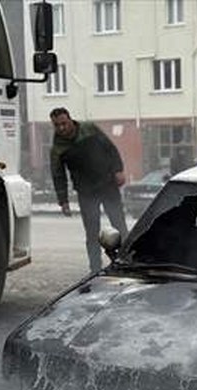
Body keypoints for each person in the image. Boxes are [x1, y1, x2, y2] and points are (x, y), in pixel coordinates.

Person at [50, 107, 129, 272]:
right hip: (86, 193)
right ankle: (95, 269)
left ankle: (126, 261)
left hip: (108, 185)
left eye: (64, 123)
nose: (61, 128)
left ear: (70, 120)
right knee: (92, 235)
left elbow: (110, 148)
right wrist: (63, 201)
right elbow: (58, 175)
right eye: (57, 125)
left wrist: (118, 169)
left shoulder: (89, 129)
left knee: (119, 226)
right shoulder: (57, 148)